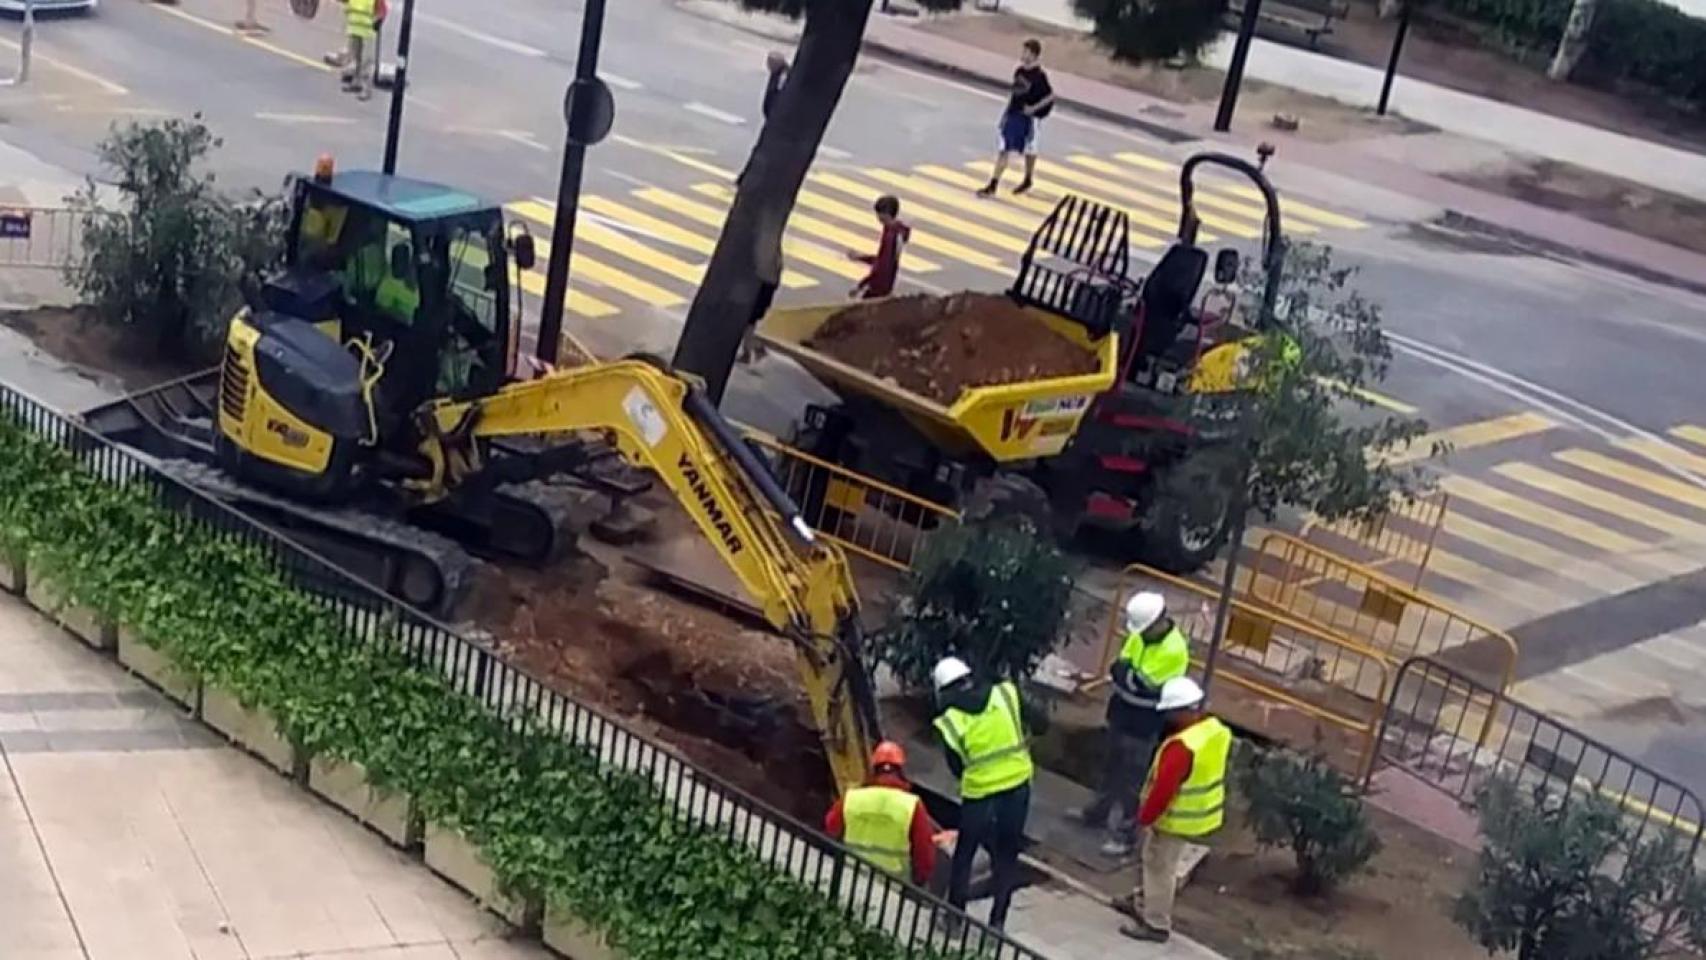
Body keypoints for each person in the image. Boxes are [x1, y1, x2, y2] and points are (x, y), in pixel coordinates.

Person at [1074, 591, 1191, 858]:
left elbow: (1141, 685)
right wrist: (1127, 676)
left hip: (1144, 722)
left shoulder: (1174, 649)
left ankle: (1125, 836)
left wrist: (1127, 676)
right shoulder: (1140, 634)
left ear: (1157, 622)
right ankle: (1097, 813)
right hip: (1122, 713)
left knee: (1133, 781)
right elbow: (1122, 667)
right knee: (1110, 766)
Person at [1121, 676, 1232, 944]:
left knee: (1160, 866)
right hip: (1197, 815)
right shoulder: (1214, 730)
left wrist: (1144, 818)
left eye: (1171, 712)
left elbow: (1164, 790)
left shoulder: (1181, 747)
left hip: (1174, 819)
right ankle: (1142, 900)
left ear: (1184, 710)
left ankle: (1156, 923)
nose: (1168, 718)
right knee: (1156, 861)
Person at [931, 656, 1033, 931]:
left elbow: (955, 766)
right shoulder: (1006, 693)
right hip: (1017, 784)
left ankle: (954, 919)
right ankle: (997, 922)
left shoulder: (950, 721)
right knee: (1007, 854)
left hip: (980, 794)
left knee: (965, 854)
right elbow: (1040, 721)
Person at [737, 51, 791, 364]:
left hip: (761, 289)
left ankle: (750, 349)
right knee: (752, 321)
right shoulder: (770, 262)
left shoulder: (765, 262)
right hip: (765, 287)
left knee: (749, 321)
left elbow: (771, 108)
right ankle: (751, 347)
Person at [823, 741, 937, 886]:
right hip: (891, 889)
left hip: (852, 879)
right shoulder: (912, 805)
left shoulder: (852, 798)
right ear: (901, 771)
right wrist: (920, 880)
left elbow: (830, 829)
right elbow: (924, 855)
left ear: (874, 769)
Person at [976, 39, 1054, 198]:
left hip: (1030, 119)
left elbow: (1050, 96)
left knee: (1030, 150)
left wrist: (1034, 108)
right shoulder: (1019, 71)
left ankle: (1028, 178)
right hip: (1013, 115)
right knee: (1003, 148)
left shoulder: (1039, 76)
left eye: (1026, 52)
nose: (1023, 55)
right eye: (1023, 51)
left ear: (1033, 55)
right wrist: (1006, 113)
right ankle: (993, 184)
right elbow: (1015, 95)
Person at [846, 195, 911, 300]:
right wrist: (860, 257)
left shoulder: (890, 236)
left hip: (878, 288)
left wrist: (861, 285)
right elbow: (883, 259)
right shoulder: (897, 231)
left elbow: (882, 266)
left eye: (879, 214)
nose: (877, 217)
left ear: (886, 214)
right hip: (888, 285)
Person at [340, 0, 379, 101]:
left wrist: (374, 24)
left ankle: (367, 91)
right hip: (355, 30)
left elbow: (383, 11)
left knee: (366, 63)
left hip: (367, 32)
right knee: (357, 59)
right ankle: (356, 83)